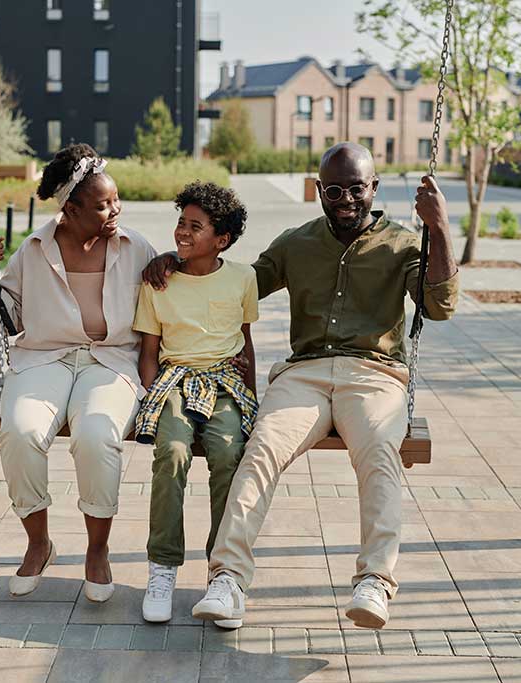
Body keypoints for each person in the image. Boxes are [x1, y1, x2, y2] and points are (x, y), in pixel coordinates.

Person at [144, 142, 459, 629]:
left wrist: (437, 227)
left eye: (357, 189)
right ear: (319, 192)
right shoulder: (297, 242)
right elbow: (238, 282)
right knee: (261, 448)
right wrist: (180, 258)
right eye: (334, 190)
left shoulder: (403, 243)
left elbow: (438, 306)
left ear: (373, 187)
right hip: (304, 373)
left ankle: (375, 580)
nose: (346, 199)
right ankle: (228, 578)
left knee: (379, 450)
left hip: (374, 376)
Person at [0, 143, 156, 603]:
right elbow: (10, 320)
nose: (116, 209)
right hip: (45, 358)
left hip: (112, 361)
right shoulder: (34, 250)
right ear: (71, 210)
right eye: (103, 204)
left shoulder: (136, 247)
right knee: (18, 431)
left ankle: (98, 550)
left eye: (116, 199)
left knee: (96, 434)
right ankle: (39, 543)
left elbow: (164, 306)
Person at [131, 182, 258, 624]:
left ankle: (223, 575)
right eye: (181, 223)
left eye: (195, 226)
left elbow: (246, 342)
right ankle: (162, 568)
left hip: (224, 384)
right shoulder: (158, 280)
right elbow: (149, 351)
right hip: (173, 381)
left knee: (228, 454)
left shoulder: (243, 277)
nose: (182, 232)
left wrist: (252, 402)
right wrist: (150, 398)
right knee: (173, 452)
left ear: (220, 240)